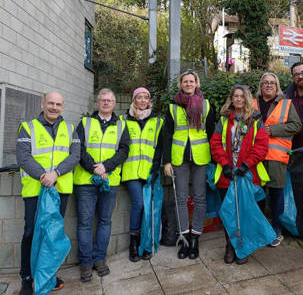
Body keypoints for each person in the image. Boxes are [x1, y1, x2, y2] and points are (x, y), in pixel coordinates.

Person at [16, 92, 80, 295]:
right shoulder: (27, 127)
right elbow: (23, 157)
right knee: (31, 233)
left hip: (59, 190)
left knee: (52, 236)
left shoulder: (70, 129)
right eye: (50, 103)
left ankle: (48, 276)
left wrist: (56, 174)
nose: (54, 107)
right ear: (43, 104)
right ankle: (27, 278)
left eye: (58, 104)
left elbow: (75, 156)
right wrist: (45, 176)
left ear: (63, 107)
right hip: (36, 190)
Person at [74, 88, 130, 282]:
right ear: (97, 102)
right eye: (103, 100)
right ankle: (86, 263)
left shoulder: (122, 125)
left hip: (109, 180)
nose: (106, 103)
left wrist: (106, 167)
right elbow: (78, 148)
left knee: (105, 221)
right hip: (85, 181)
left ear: (114, 104)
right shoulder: (85, 123)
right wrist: (94, 168)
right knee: (85, 223)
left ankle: (100, 260)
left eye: (110, 100)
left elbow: (124, 150)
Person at [210, 85, 269, 265]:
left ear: (247, 99)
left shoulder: (256, 120)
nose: (238, 99)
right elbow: (215, 143)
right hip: (227, 175)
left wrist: (246, 165)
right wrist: (225, 164)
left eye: (242, 97)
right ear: (231, 99)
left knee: (244, 212)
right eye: (235, 96)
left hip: (247, 174)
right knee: (229, 213)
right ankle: (230, 246)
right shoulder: (224, 120)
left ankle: (242, 247)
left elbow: (261, 146)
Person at [163, 70, 216, 259]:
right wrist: (167, 161)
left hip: (200, 157)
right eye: (185, 81)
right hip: (179, 158)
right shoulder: (172, 107)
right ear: (180, 84)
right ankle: (184, 238)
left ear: (196, 83)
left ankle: (195, 239)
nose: (188, 84)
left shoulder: (207, 105)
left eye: (191, 81)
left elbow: (211, 133)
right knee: (181, 199)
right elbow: (167, 136)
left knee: (200, 198)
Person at [254, 72, 302, 247]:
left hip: (275, 156)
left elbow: (296, 125)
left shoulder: (286, 103)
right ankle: (258, 229)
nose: (268, 85)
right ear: (260, 86)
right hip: (255, 157)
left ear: (277, 86)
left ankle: (276, 230)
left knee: (276, 194)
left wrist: (272, 130)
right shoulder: (252, 103)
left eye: (272, 83)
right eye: (265, 82)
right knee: (257, 194)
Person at [120, 87, 164, 262]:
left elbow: (160, 147)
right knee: (138, 204)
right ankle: (134, 243)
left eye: (146, 98)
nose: (143, 100)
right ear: (134, 100)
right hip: (131, 171)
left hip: (149, 171)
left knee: (149, 208)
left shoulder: (157, 121)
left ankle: (147, 244)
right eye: (139, 97)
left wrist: (155, 169)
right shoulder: (124, 121)